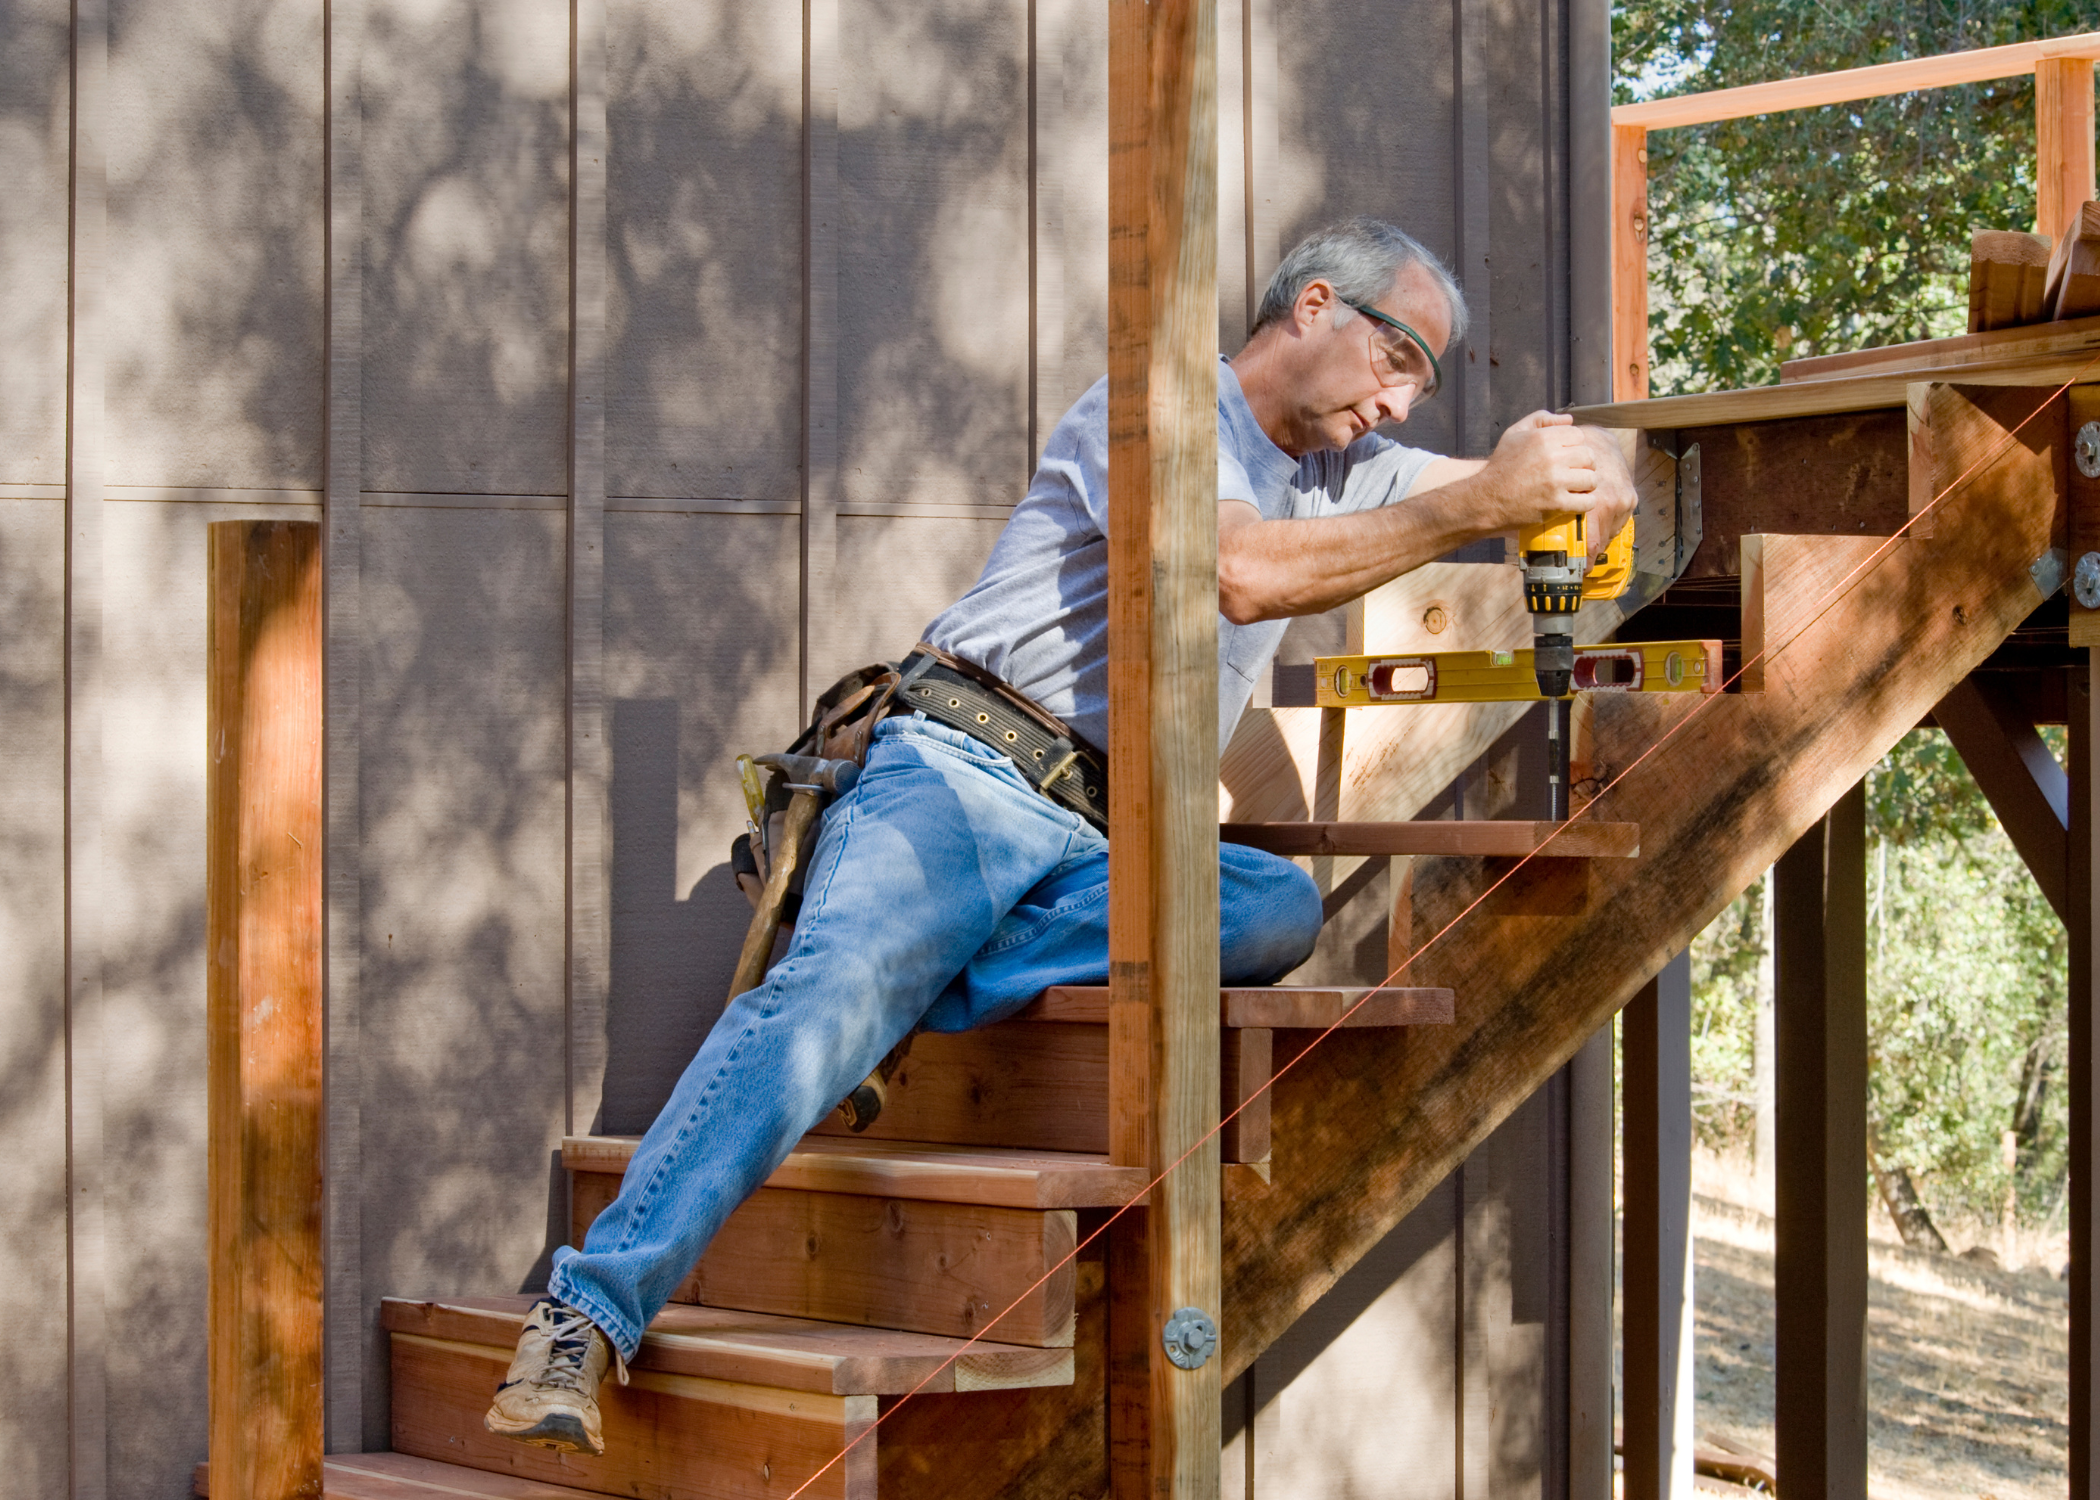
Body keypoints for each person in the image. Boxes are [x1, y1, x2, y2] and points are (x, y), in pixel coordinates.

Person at [483, 216, 1637, 1455]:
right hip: (968, 761)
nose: (1405, 403)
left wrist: (1579, 475)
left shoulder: (1348, 472)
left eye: (1428, 381)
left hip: (1101, 833)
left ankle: (929, 966)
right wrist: (1484, 497)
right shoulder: (1158, 406)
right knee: (826, 997)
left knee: (1272, 908)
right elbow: (1241, 574)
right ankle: (584, 1316)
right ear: (1314, 307)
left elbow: (1516, 484)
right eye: (1400, 358)